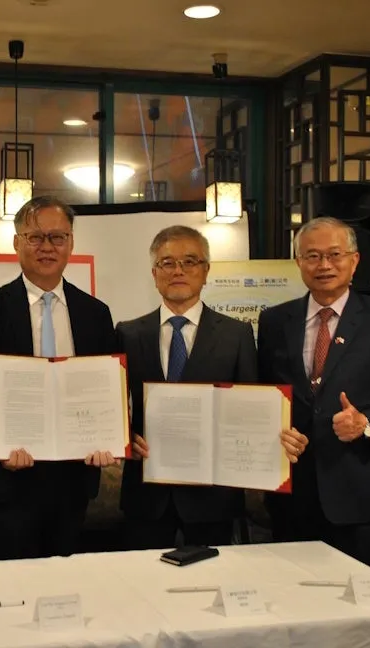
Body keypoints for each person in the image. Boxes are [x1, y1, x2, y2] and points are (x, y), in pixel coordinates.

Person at [258, 216, 370, 571]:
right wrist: (274, 430)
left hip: (361, 499)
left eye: (334, 254)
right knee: (291, 597)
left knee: (362, 600)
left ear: (355, 260)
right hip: (293, 499)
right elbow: (264, 396)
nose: (324, 265)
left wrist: (367, 423)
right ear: (299, 262)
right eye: (313, 256)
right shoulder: (274, 321)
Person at [0, 196, 117, 560]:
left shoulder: (96, 314)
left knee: (66, 581)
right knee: (10, 582)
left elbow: (105, 393)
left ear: (71, 243)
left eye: (57, 237)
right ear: (16, 242)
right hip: (8, 478)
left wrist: (106, 438)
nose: (47, 247)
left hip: (73, 478)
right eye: (35, 237)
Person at [117, 225, 257, 549]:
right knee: (141, 578)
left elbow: (249, 409)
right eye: (167, 262)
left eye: (190, 261)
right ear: (154, 273)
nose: (178, 270)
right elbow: (114, 406)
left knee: (212, 578)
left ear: (206, 271)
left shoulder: (236, 335)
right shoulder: (128, 333)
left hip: (213, 494)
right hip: (147, 493)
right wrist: (123, 438)